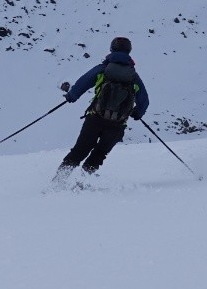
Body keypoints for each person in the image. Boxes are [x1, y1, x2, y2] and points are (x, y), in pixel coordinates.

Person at [55, 36, 149, 182]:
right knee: (99, 154)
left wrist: (72, 96)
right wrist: (137, 113)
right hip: (117, 124)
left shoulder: (103, 69)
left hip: (95, 118)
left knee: (79, 150)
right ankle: (81, 182)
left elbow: (83, 82)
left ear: (112, 49)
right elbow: (144, 101)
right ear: (129, 51)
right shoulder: (133, 77)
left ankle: (58, 182)